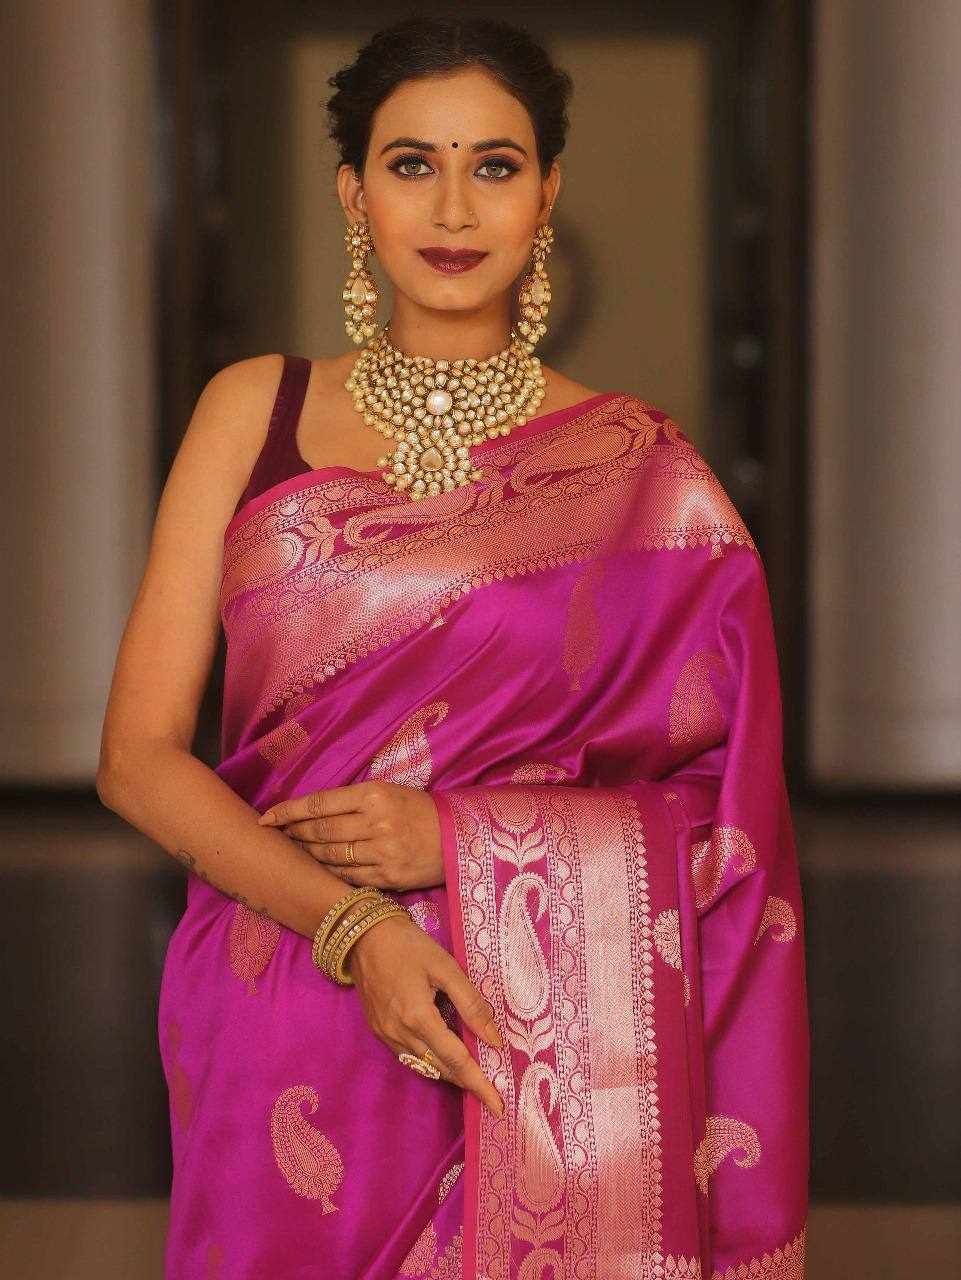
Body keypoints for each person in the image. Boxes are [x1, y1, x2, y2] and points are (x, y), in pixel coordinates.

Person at [97, 15, 810, 1279]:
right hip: (284, 983)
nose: (453, 206)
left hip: (540, 1016)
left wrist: (458, 839)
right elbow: (137, 758)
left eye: (494, 165)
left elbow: (728, 808)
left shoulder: (641, 470)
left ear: (546, 194)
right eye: (411, 163)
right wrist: (355, 927)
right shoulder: (252, 409)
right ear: (352, 193)